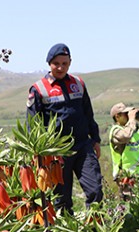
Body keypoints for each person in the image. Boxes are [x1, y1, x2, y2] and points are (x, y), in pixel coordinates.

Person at [26, 43, 103, 213]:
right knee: (61, 199)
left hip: (83, 146)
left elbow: (88, 114)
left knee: (95, 191)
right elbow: (32, 124)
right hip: (57, 151)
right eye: (56, 63)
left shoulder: (78, 83)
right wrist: (39, 152)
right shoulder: (39, 89)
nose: (60, 67)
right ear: (49, 63)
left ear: (70, 63)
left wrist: (95, 140)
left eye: (64, 63)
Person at [108, 102, 139, 197]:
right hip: (126, 175)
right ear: (117, 117)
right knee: (130, 203)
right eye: (125, 114)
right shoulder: (116, 131)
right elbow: (126, 136)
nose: (128, 116)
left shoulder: (133, 129)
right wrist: (132, 119)